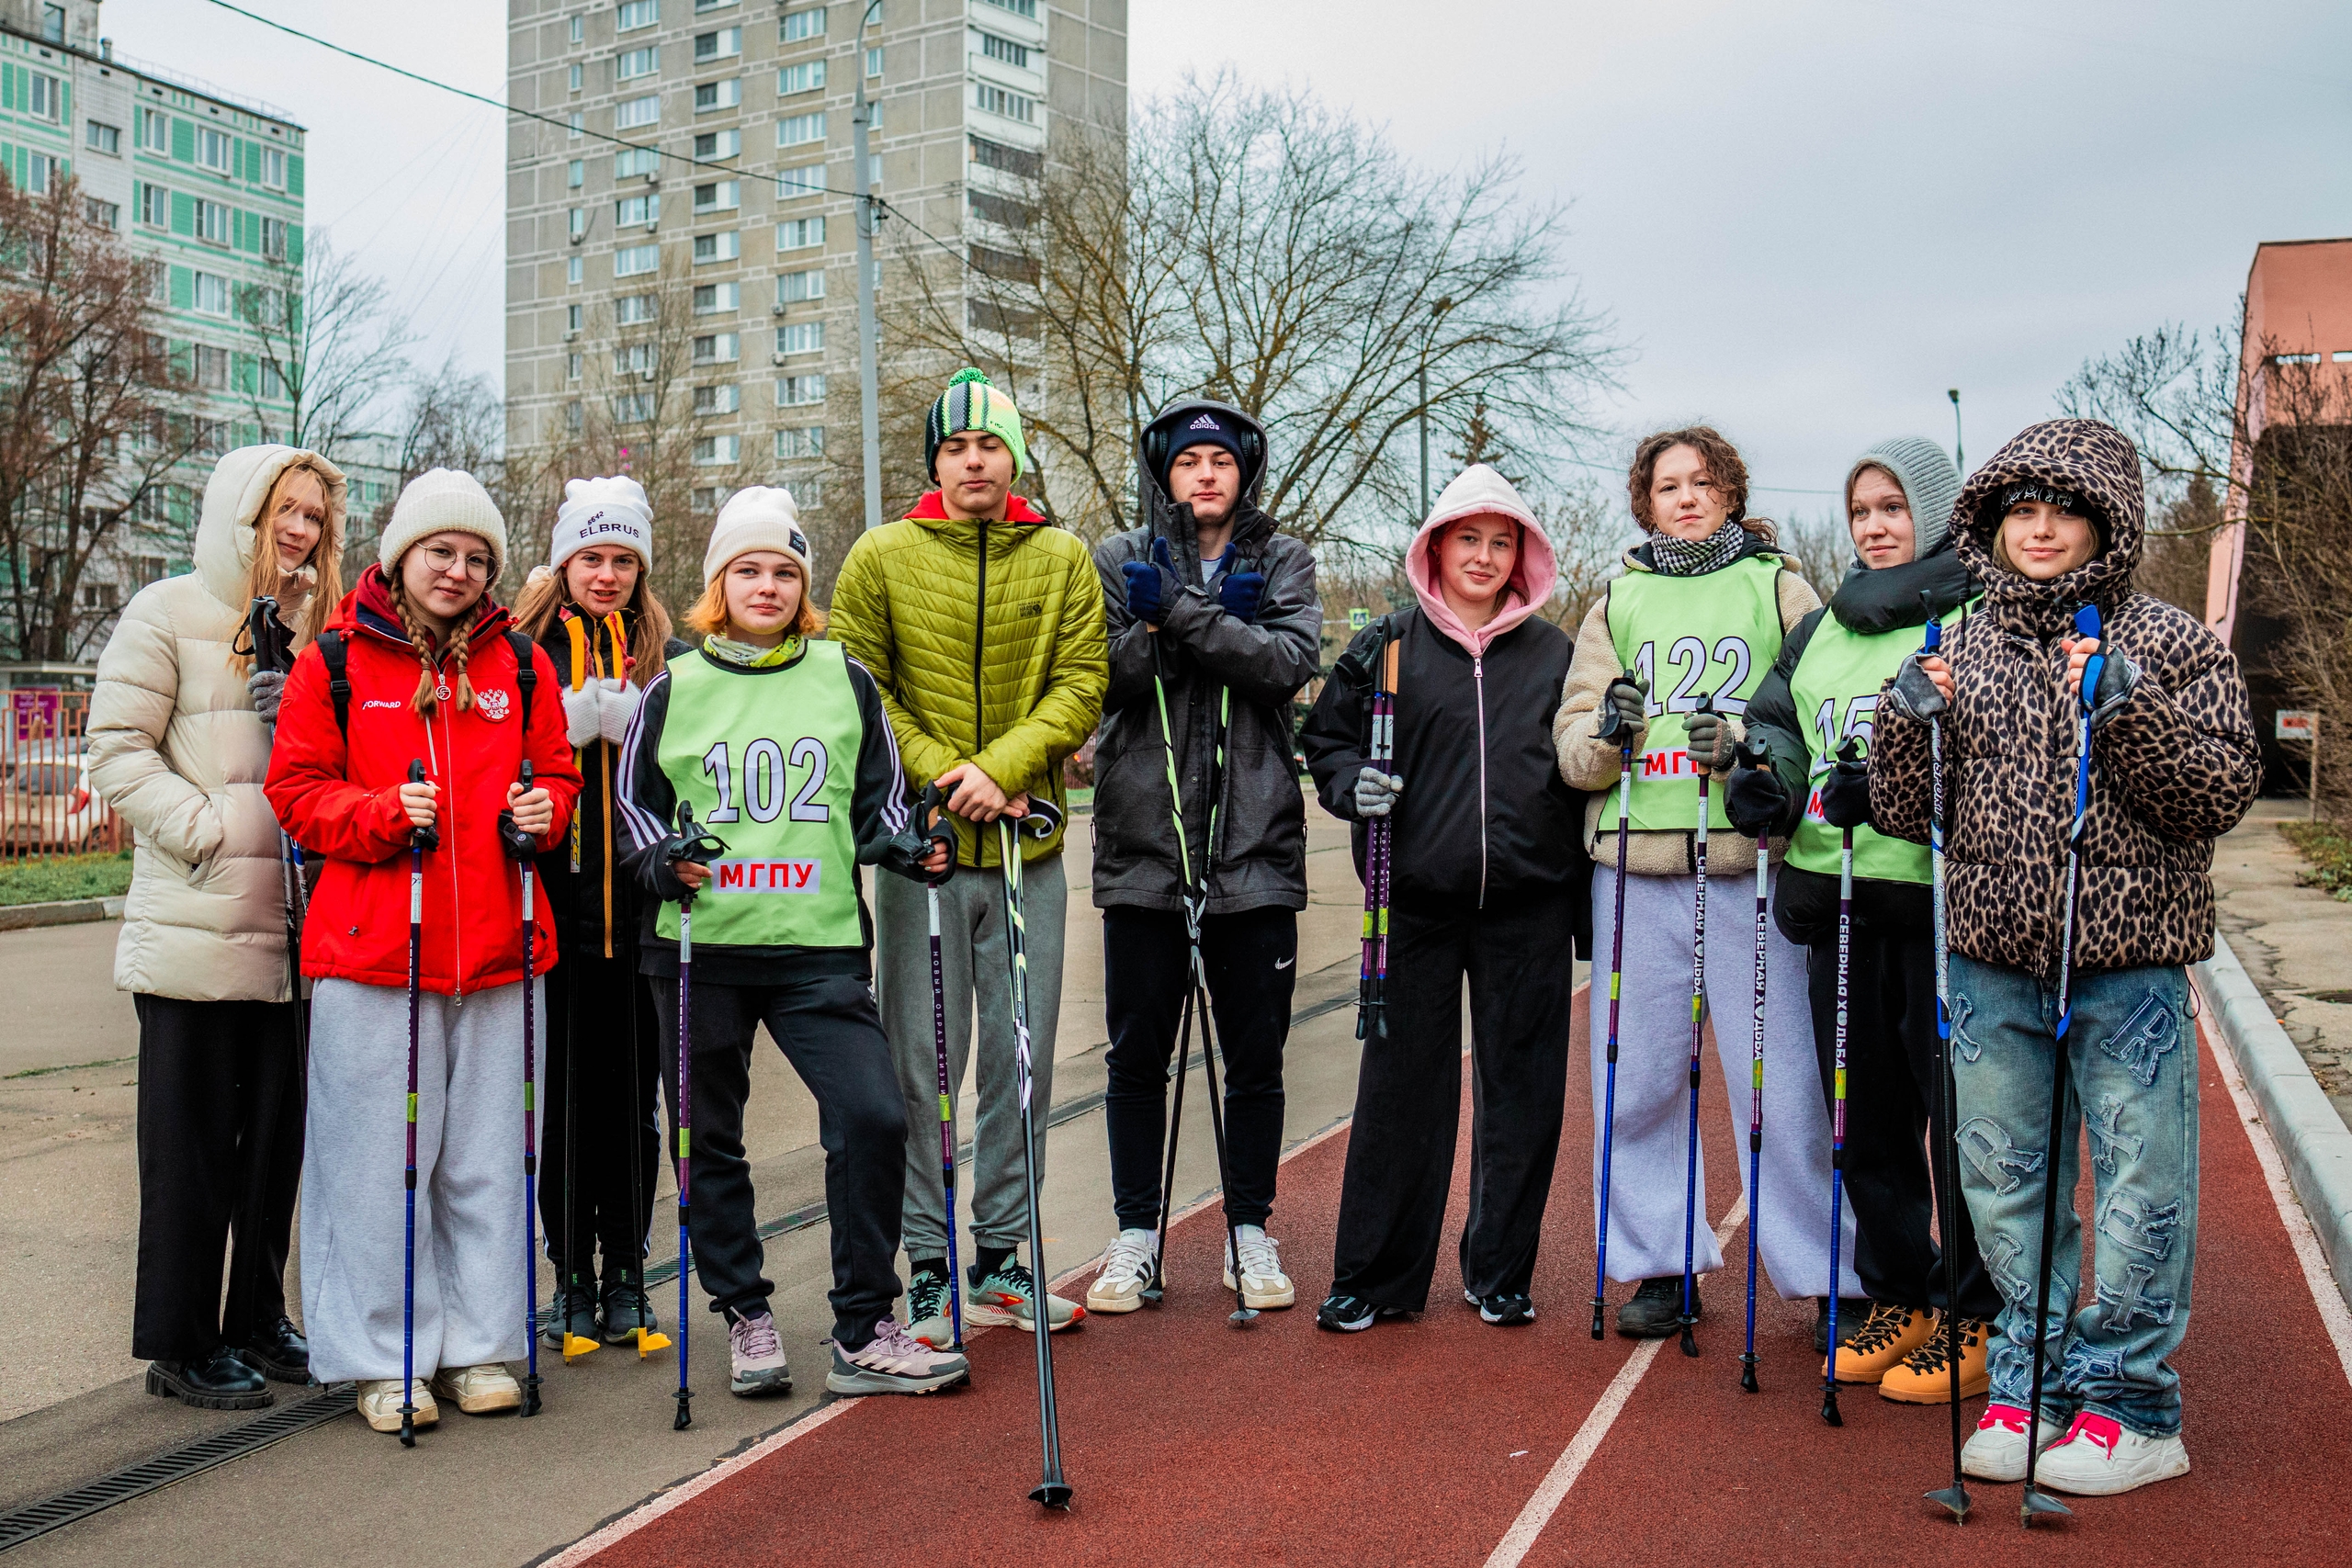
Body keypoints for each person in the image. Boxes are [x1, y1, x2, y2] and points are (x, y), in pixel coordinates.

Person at [1868, 419, 2257, 1496]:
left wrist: (2126, 704)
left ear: (2106, 524)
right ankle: (2027, 1382)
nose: (2040, 531)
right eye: (2022, 511)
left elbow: (2219, 792)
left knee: (2140, 1182)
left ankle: (2133, 1405)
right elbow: (1902, 811)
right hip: (1989, 959)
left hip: (2126, 963)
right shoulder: (1955, 644)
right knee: (2002, 1180)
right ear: (1992, 524)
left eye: (2064, 512)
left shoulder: (2171, 642)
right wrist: (1903, 719)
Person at [613, 487, 970, 1397]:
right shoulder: (673, 687)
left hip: (818, 947)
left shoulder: (845, 678)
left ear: (803, 587)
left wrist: (913, 846)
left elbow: (879, 807)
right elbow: (633, 811)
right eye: (748, 569)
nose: (766, 585)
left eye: (783, 571)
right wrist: (661, 862)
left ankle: (864, 1324)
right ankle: (745, 1312)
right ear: (719, 583)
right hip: (701, 949)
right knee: (708, 1137)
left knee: (872, 1115)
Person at [266, 468, 580, 1434]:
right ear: (402, 553)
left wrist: (546, 809)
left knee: (490, 1159)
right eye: (441, 550)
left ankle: (479, 1345)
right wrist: (377, 812)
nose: (458, 570)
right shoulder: (335, 660)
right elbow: (295, 791)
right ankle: (382, 1356)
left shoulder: (519, 664)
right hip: (375, 953)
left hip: (500, 949)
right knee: (374, 1164)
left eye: (478, 557)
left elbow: (558, 773)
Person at [1552, 426, 1862, 1345]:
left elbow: (1817, 714)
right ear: (1645, 502)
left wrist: (1748, 751)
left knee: (1785, 1086)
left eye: (1701, 482)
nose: (1685, 497)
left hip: (1748, 864)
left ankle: (1826, 1273)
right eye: (1667, 485)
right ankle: (1660, 1264)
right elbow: (1573, 748)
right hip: (1636, 870)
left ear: (1730, 491)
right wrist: (1606, 735)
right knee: (1637, 1081)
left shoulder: (1779, 586)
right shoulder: (1615, 599)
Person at [829, 367, 1108, 1346]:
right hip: (927, 854)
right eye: (955, 447)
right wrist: (953, 778)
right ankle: (928, 1266)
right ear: (935, 462)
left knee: (1019, 1061)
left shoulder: (1063, 557)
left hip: (1029, 850)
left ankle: (1000, 1258)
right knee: (921, 1065)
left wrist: (1006, 768)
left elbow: (1082, 681)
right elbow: (860, 688)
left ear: (1015, 457)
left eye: (990, 445)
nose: (974, 461)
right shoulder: (881, 555)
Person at [1729, 436, 2000, 1402]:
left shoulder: (1979, 615)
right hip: (1837, 900)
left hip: (1940, 911)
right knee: (1867, 1120)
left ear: (1935, 512)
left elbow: (2002, 745)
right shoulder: (1822, 628)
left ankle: (1976, 1309)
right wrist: (1765, 781)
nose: (1875, 527)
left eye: (1893, 508)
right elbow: (1777, 724)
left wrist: (1896, 785)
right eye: (1861, 511)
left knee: (1961, 1123)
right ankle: (1899, 1290)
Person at [1301, 464, 1588, 1331]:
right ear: (1436, 545)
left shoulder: (1555, 654)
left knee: (1523, 1093)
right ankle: (1376, 1278)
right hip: (1413, 902)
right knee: (1401, 1092)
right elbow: (1327, 741)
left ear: (1522, 556)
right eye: (1469, 538)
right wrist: (1353, 783)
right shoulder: (1386, 644)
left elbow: (1582, 765)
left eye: (1502, 543)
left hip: (1529, 904)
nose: (1485, 557)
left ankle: (1499, 1270)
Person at [88, 446, 345, 1409]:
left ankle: (256, 1319)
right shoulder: (166, 612)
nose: (301, 530)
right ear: (244, 513)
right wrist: (205, 829)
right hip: (197, 925)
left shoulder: (317, 630)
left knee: (276, 1148)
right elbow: (115, 748)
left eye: (316, 516)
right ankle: (182, 1343)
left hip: (294, 936)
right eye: (286, 510)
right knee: (190, 1150)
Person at [1082, 400, 1321, 1314]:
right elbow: (1104, 679)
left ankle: (1247, 1229)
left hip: (1254, 853)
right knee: (1137, 1054)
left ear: (1243, 471)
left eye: (1222, 460)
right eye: (1190, 461)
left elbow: (1283, 667)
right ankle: (1135, 1235)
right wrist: (1185, 631)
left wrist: (1178, 614)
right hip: (1146, 848)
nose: (1207, 474)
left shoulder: (1283, 558)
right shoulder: (1117, 558)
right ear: (1165, 473)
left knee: (1255, 1057)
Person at [510, 476, 675, 1348]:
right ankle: (569, 1270)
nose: (606, 574)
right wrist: (562, 738)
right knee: (566, 1104)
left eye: (622, 559)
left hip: (641, 922)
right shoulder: (524, 650)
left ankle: (626, 1272)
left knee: (633, 1107)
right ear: (565, 561)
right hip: (557, 921)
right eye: (591, 557)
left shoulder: (664, 655)